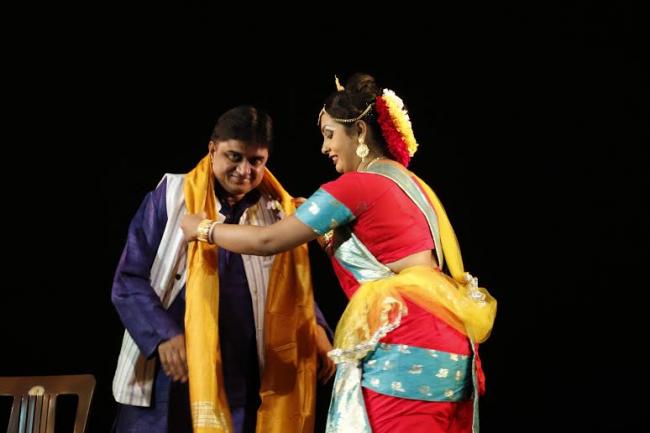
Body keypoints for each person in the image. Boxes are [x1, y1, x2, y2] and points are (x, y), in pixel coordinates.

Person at [180, 75, 497, 433]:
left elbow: (266, 241)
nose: (324, 148)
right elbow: (382, 251)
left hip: (403, 341)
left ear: (359, 132)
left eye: (330, 134)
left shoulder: (355, 185)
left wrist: (203, 230)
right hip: (451, 343)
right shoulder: (411, 185)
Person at [111, 105, 335, 433]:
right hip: (170, 374)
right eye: (234, 157)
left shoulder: (277, 211)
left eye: (256, 161)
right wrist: (163, 335)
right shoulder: (173, 195)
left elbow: (291, 289)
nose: (244, 170)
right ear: (212, 148)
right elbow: (128, 279)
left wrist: (315, 328)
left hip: (240, 378)